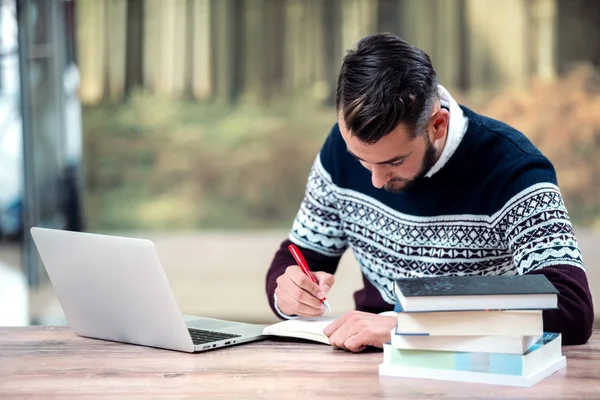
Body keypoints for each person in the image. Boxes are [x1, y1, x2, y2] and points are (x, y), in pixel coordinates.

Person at [265, 33, 595, 352]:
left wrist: (409, 326)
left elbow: (570, 308)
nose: (376, 180)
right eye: (361, 160)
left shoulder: (511, 168)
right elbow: (302, 256)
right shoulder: (341, 147)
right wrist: (289, 293)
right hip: (362, 362)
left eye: (394, 161)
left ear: (437, 124)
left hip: (478, 371)